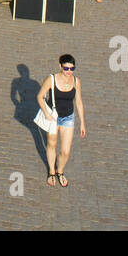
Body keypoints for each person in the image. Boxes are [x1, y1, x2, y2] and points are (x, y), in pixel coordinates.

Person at [36, 55, 85, 187]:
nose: (69, 71)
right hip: (53, 117)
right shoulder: (51, 79)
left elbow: (79, 102)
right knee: (52, 144)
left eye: (72, 68)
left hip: (68, 118)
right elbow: (40, 96)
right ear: (60, 66)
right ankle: (52, 171)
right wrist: (46, 113)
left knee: (65, 151)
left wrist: (82, 123)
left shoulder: (76, 81)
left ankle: (60, 171)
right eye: (66, 68)